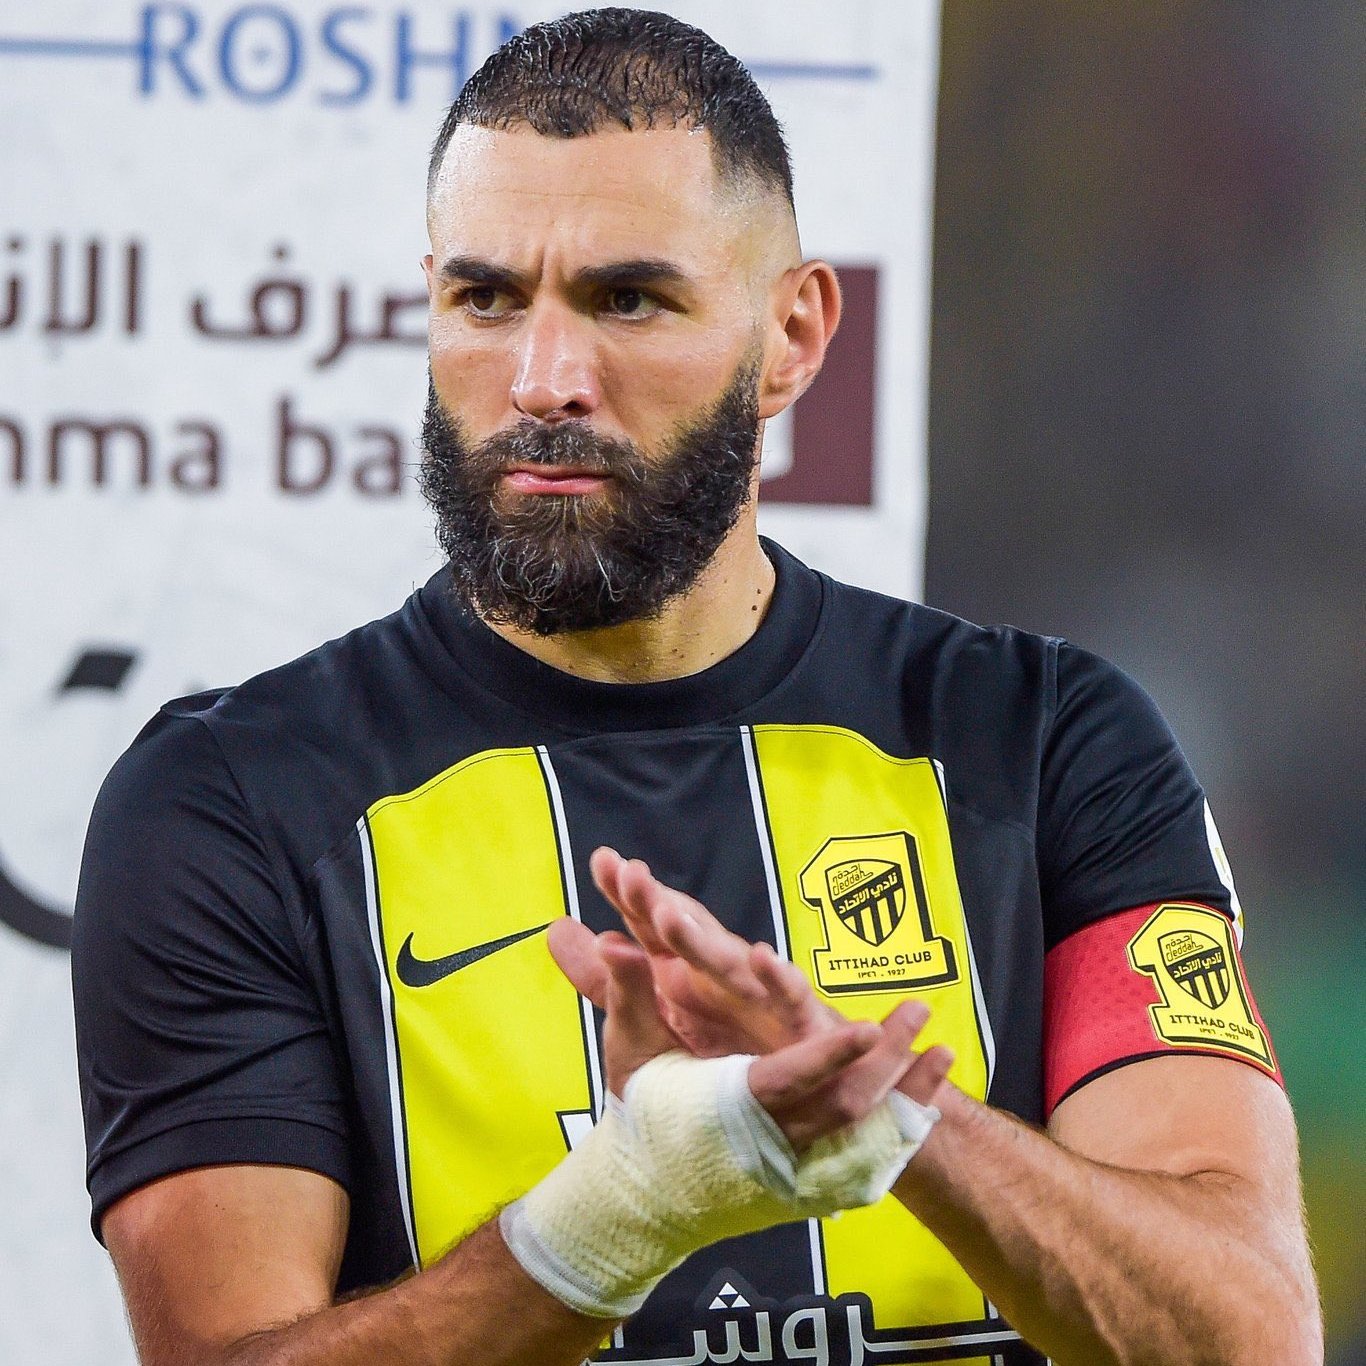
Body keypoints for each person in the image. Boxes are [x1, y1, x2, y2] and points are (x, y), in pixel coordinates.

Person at [72, 9, 1321, 1365]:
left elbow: (1246, 1333)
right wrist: (624, 1206)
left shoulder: (1044, 742)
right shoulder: (229, 803)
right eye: (486, 298)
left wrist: (898, 1125)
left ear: (792, 333)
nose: (544, 379)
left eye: (628, 299)